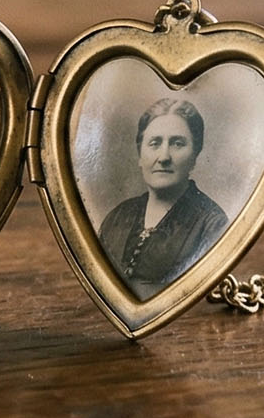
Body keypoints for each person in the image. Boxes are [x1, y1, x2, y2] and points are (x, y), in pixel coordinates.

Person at [95, 97, 230, 300]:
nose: (164, 156)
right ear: (140, 155)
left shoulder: (212, 224)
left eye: (177, 143)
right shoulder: (118, 217)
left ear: (195, 155)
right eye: (154, 143)